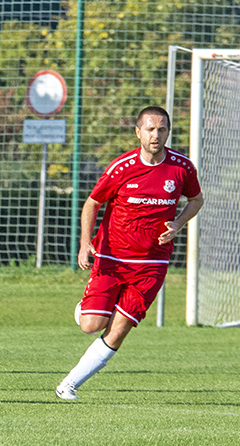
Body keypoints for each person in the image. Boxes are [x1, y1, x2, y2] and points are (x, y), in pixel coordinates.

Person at [56, 106, 204, 400]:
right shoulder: (121, 167)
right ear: (138, 132)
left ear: (168, 132)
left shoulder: (181, 167)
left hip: (152, 263)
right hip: (112, 258)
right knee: (91, 325)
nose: (155, 135)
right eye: (150, 129)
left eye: (162, 129)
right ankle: (87, 309)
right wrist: (86, 244)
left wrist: (177, 223)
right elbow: (91, 203)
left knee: (120, 329)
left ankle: (69, 385)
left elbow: (197, 199)